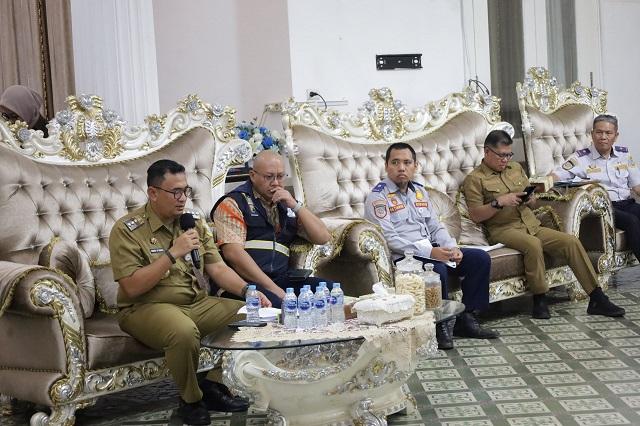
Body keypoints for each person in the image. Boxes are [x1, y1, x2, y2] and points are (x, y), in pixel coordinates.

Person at [109, 159, 271, 426]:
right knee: (183, 331)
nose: (182, 198)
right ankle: (190, 401)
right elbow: (132, 286)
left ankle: (213, 387)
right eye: (175, 192)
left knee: (253, 315)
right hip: (146, 308)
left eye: (185, 191)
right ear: (153, 193)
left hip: (196, 302)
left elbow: (217, 268)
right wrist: (173, 253)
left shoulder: (191, 222)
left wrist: (247, 291)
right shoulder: (128, 230)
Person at [463, 130, 625, 319]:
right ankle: (539, 299)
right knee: (533, 245)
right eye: (501, 155)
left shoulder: (515, 168)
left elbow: (532, 201)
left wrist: (531, 199)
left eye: (508, 155)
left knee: (570, 242)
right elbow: (475, 215)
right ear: (487, 151)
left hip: (532, 225)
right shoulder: (475, 179)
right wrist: (498, 202)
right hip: (503, 229)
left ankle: (597, 297)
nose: (505, 160)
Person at [364, 142, 498, 350]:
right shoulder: (378, 197)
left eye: (407, 162)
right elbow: (389, 238)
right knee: (437, 270)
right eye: (395, 162)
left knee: (479, 259)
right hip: (404, 257)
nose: (401, 168)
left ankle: (468, 318)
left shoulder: (419, 191)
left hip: (431, 249)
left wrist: (452, 248)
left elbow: (436, 226)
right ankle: (439, 325)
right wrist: (431, 252)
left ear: (415, 166)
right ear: (386, 166)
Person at [211, 150, 332, 307]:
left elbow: (322, 237)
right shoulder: (234, 203)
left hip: (282, 279)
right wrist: (275, 290)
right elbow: (234, 255)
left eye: (280, 176)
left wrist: (295, 206)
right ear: (253, 176)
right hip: (246, 284)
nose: (275, 182)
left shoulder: (286, 203)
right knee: (280, 305)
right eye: (269, 177)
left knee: (329, 292)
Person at [551, 114, 640, 262]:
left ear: (616, 136)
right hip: (604, 208)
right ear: (592, 134)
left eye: (608, 133)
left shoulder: (624, 155)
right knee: (632, 221)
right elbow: (557, 176)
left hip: (627, 203)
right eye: (599, 132)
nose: (603, 137)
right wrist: (543, 182)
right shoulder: (580, 158)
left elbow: (637, 186)